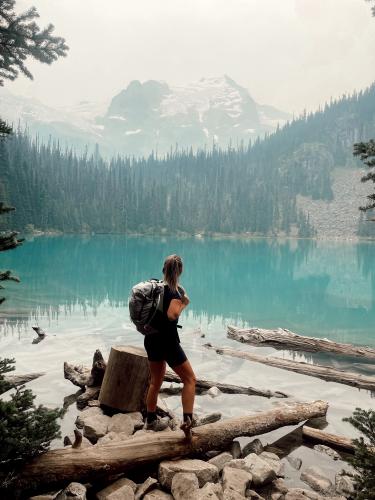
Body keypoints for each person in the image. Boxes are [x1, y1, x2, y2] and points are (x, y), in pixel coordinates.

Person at [143, 254, 196, 432]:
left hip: (151, 340)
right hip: (168, 342)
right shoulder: (175, 292)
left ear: (163, 270)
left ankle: (150, 421)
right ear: (180, 271)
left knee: (155, 381)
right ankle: (188, 421)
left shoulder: (156, 288)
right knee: (190, 380)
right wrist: (184, 304)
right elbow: (172, 315)